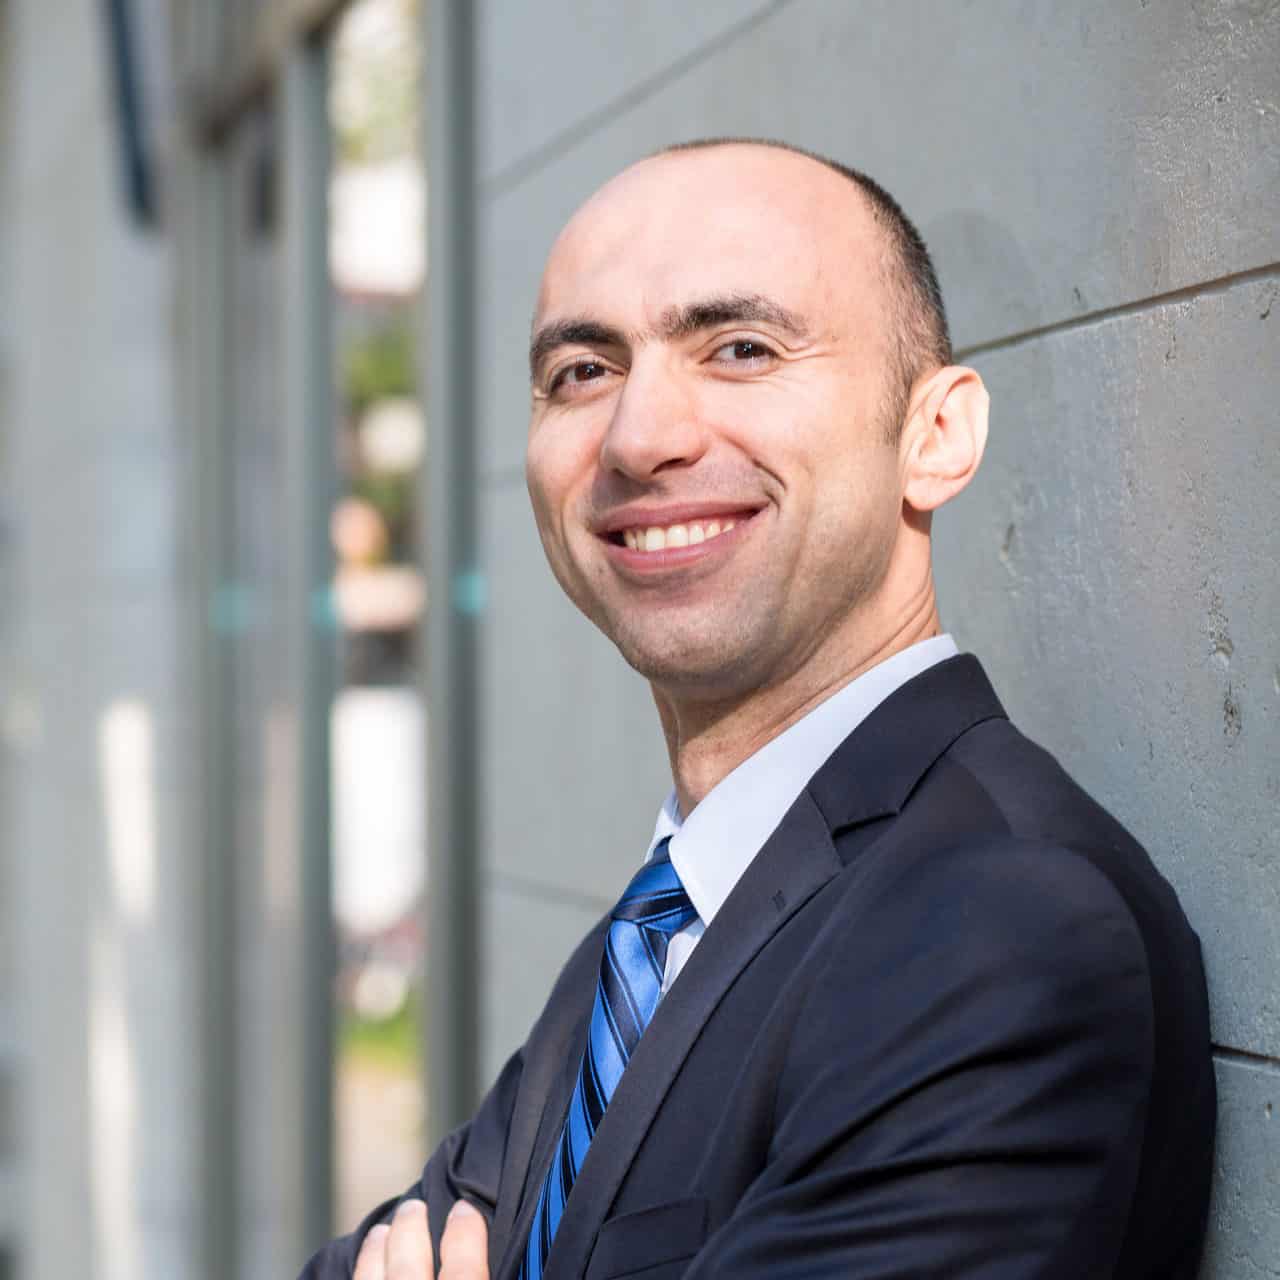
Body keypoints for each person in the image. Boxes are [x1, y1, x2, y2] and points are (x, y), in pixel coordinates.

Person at [303, 139, 1215, 1280]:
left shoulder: (1001, 930)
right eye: (581, 371)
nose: (639, 436)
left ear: (934, 438)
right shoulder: (660, 931)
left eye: (741, 348)